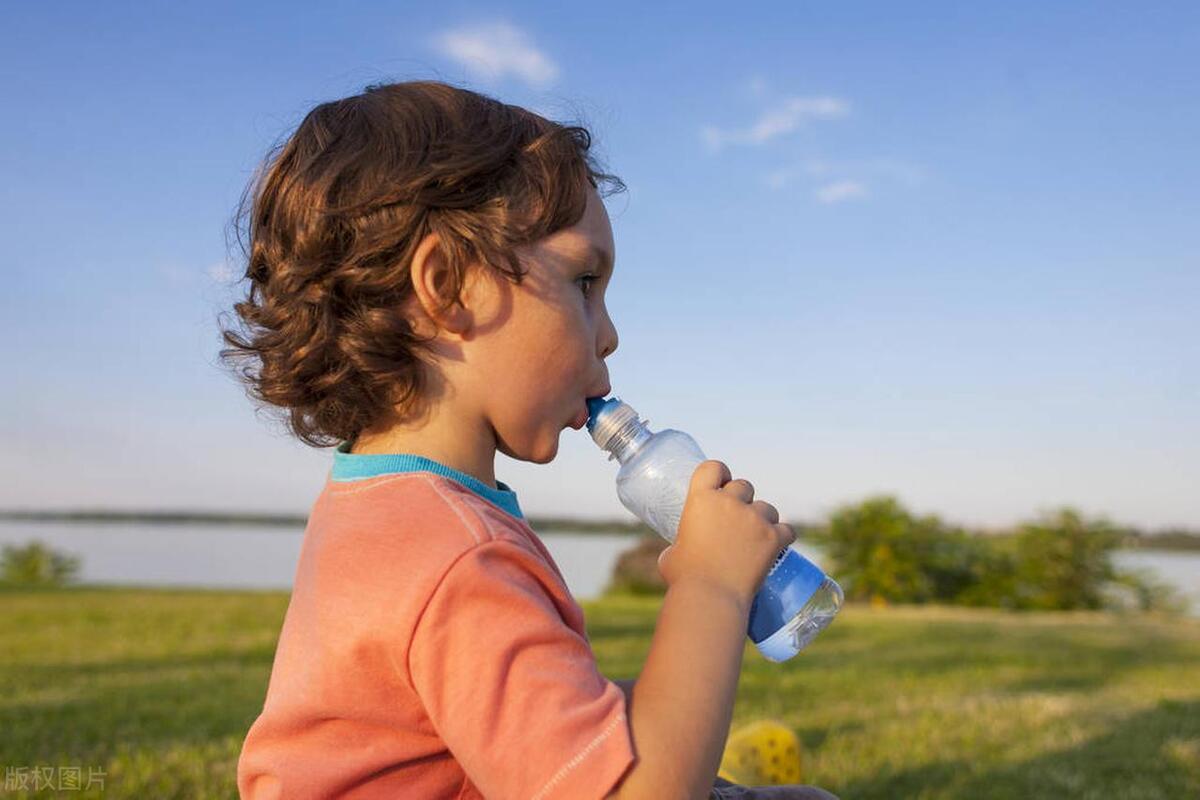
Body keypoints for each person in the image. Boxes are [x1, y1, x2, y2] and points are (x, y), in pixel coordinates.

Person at [223, 79, 838, 800]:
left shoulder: (383, 507)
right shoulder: (455, 552)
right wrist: (711, 585)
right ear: (448, 287)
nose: (608, 333)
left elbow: (552, 735)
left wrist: (678, 692)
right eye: (584, 281)